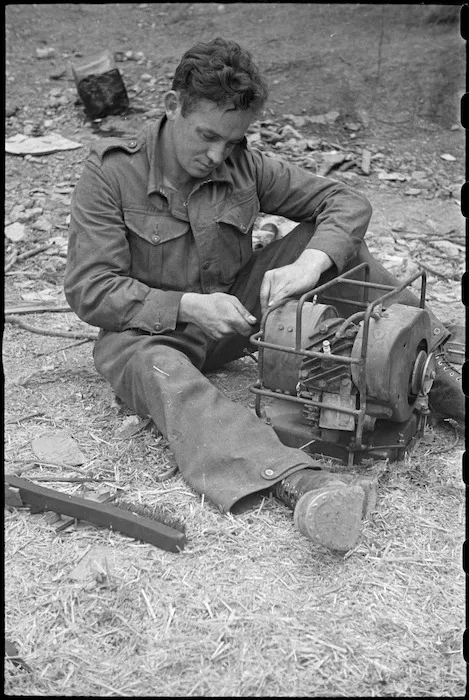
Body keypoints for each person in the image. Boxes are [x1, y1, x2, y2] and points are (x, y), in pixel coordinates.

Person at [64, 37, 464, 553]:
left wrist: (309, 263)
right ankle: (298, 482)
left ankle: (431, 361)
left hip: (237, 315)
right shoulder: (112, 173)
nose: (218, 156)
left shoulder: (243, 165)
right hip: (152, 333)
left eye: (232, 142)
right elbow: (89, 288)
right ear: (172, 107)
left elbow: (344, 200)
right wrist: (186, 306)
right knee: (154, 369)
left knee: (330, 247)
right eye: (208, 136)